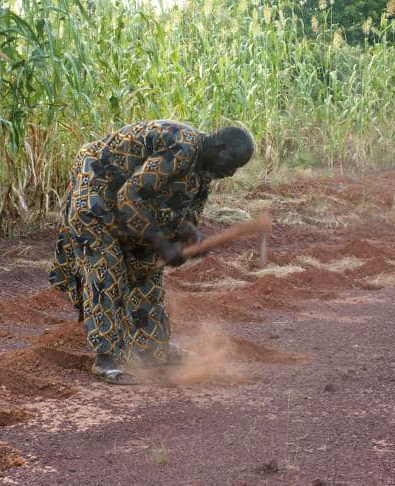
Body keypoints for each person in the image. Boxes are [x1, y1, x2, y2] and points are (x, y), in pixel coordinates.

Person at [49, 120, 254, 384]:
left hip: (129, 204)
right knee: (106, 270)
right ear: (220, 146)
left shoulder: (203, 167)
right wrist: (163, 244)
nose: (232, 172)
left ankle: (152, 349)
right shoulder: (181, 149)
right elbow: (130, 197)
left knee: (146, 268)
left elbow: (182, 210)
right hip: (97, 192)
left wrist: (191, 238)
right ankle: (107, 358)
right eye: (232, 162)